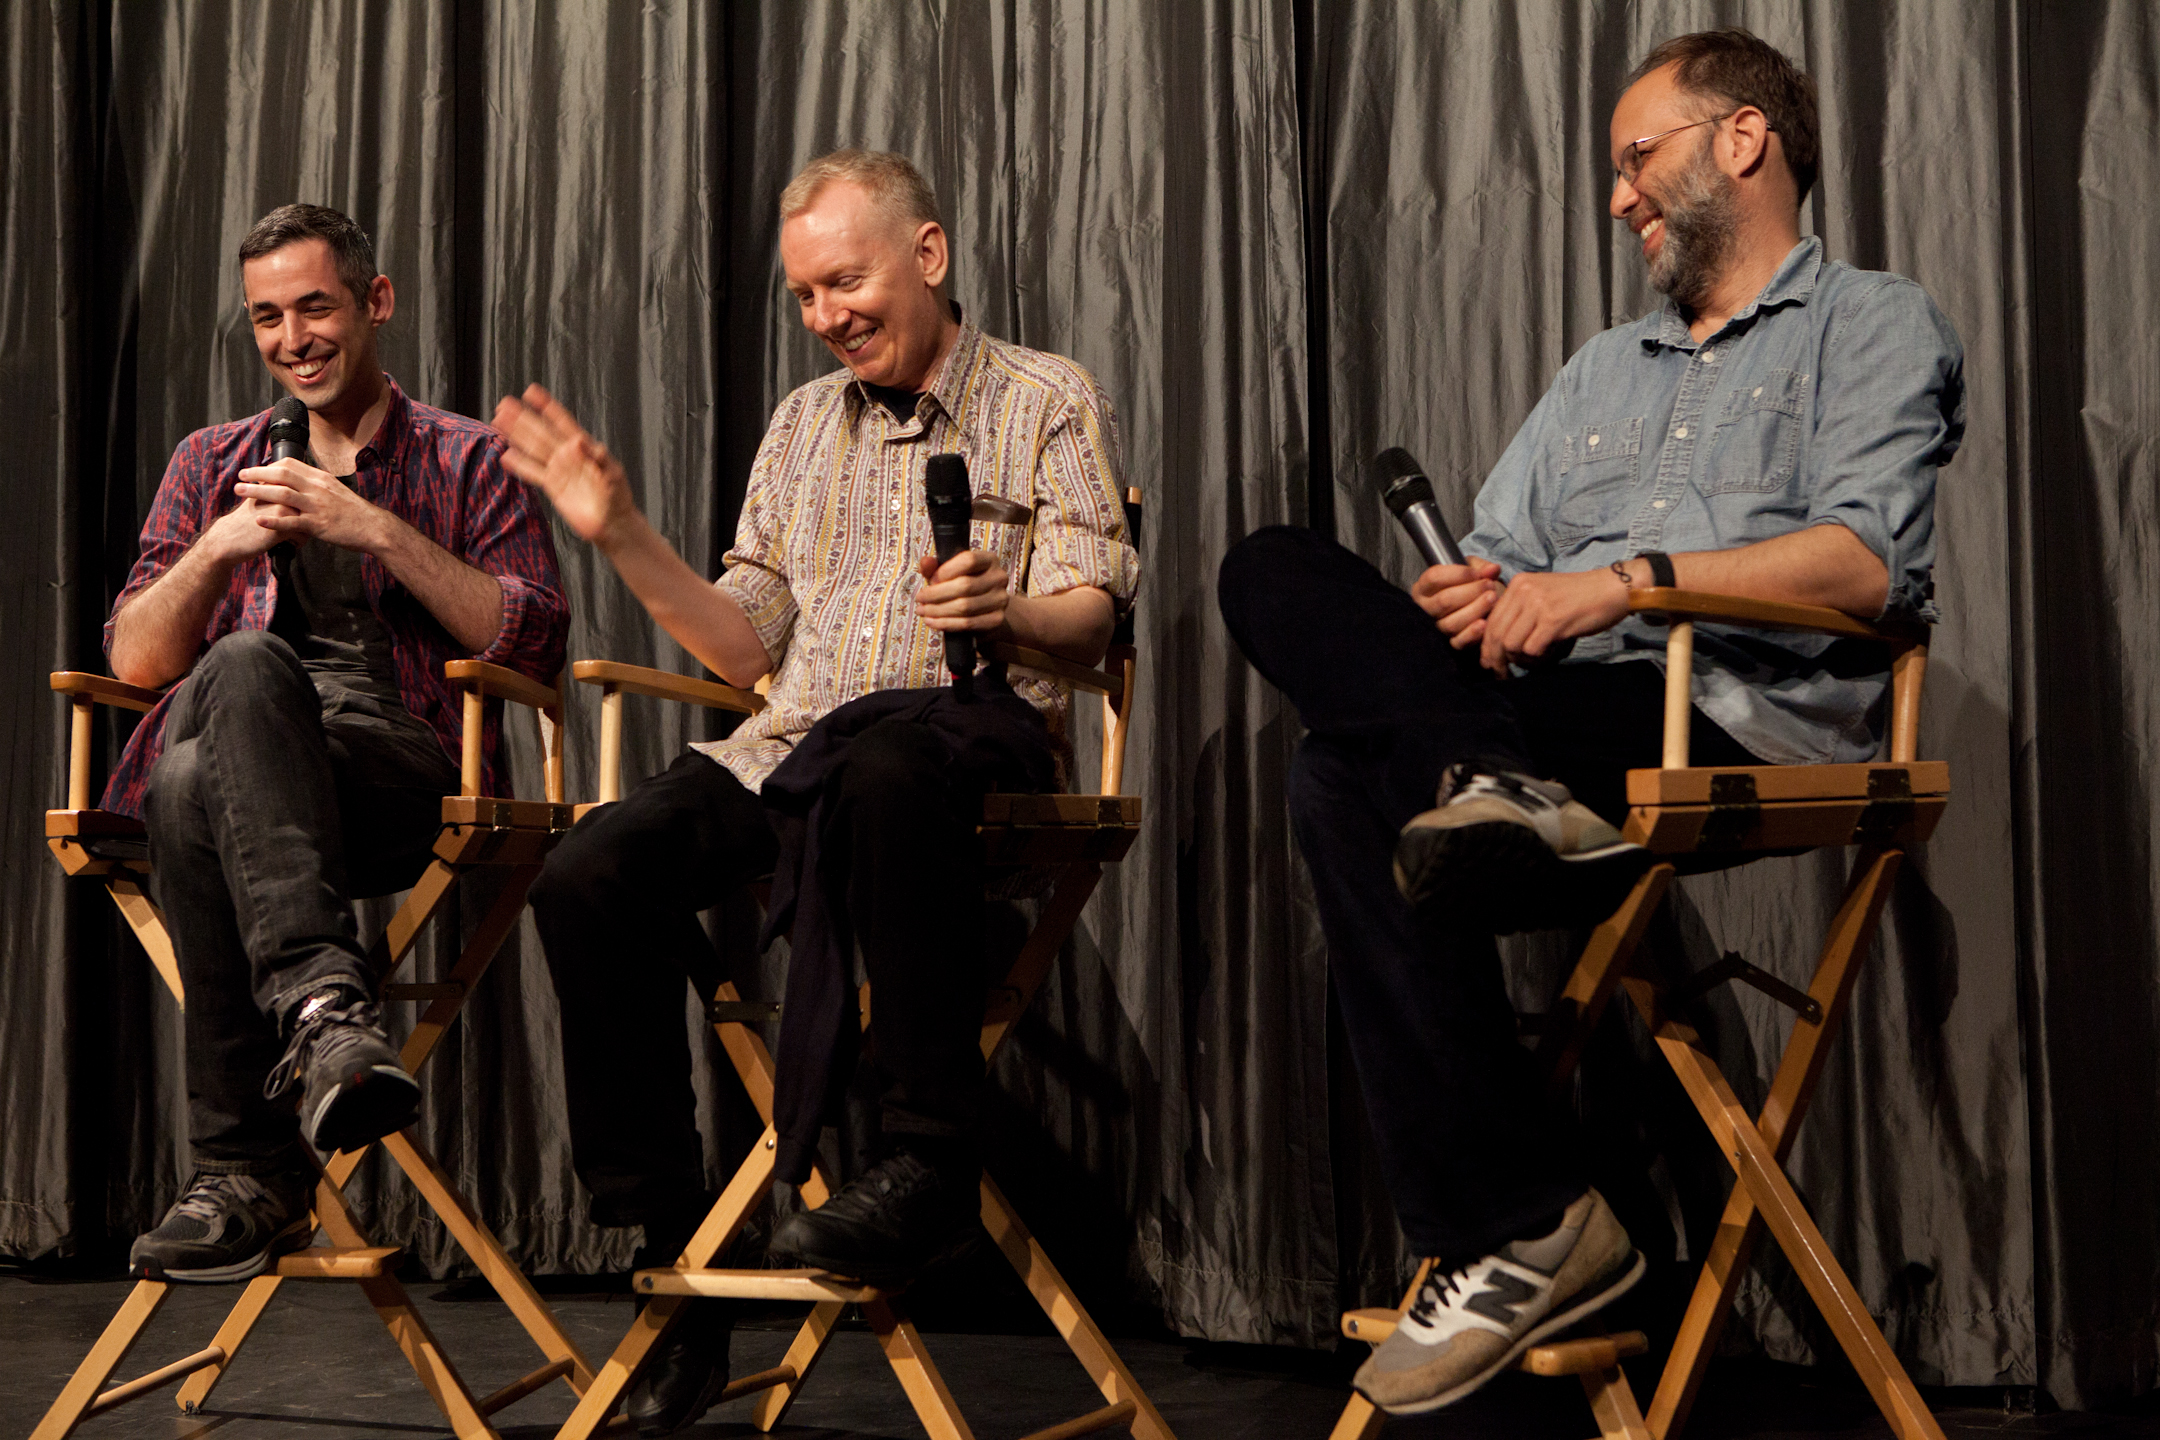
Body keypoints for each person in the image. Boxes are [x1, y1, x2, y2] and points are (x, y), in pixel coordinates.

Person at [1218, 30, 1964, 1415]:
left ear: (1743, 140)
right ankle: (1493, 810)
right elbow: (1503, 566)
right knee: (1270, 569)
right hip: (1551, 720)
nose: (1618, 195)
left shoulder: (1875, 321)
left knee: (1337, 781)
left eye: (1638, 157)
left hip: (1733, 721)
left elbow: (1866, 565)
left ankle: (1519, 1220)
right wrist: (1481, 593)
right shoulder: (1599, 370)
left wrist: (1614, 586)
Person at [495, 150, 1138, 1436]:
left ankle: (925, 1159)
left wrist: (1006, 611)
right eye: (803, 295)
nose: (827, 315)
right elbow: (743, 648)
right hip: (795, 746)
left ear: (930, 256)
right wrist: (619, 533)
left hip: (972, 732)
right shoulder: (799, 424)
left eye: (845, 281)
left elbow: (1093, 621)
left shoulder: (1045, 397)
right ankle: (676, 1256)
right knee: (588, 868)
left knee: (894, 769)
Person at [111, 204, 569, 1283]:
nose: (292, 339)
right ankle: (325, 1017)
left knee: (206, 742)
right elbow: (134, 657)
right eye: (266, 317)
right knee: (202, 737)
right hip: (237, 786)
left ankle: (240, 1165)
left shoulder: (471, 459)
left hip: (400, 771)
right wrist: (220, 546)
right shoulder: (209, 461)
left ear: (376, 303)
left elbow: (535, 639)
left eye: (314, 307)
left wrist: (372, 527)